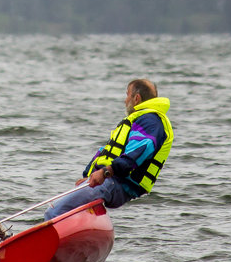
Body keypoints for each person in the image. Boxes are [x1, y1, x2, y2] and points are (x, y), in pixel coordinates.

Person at [44, 78, 173, 219]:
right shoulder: (141, 119)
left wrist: (105, 172)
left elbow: (136, 154)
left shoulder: (150, 122)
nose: (125, 101)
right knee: (62, 208)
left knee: (53, 212)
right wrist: (89, 175)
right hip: (110, 179)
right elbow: (106, 151)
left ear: (136, 98)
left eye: (127, 95)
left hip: (115, 182)